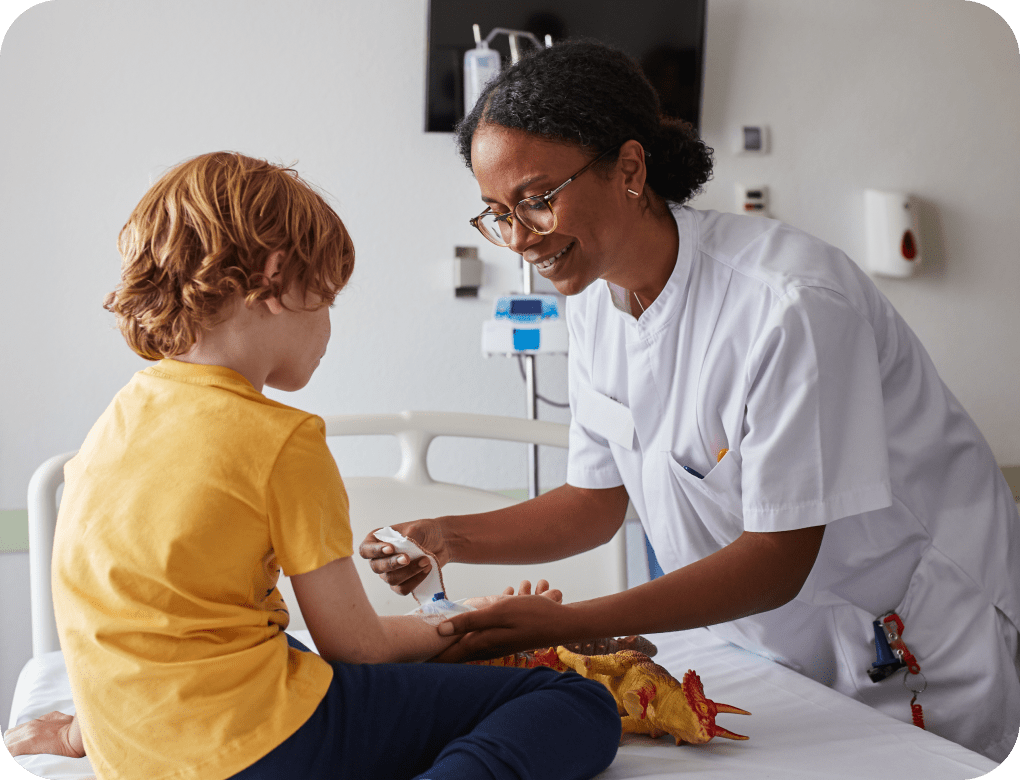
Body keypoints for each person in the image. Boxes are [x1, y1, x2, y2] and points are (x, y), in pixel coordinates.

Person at [360, 40, 1020, 763]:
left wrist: (566, 622)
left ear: (631, 170)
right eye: (496, 212)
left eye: (537, 201)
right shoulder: (594, 298)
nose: (519, 239)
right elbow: (593, 502)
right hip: (770, 646)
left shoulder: (790, 307)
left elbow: (776, 558)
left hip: (921, 644)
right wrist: (445, 537)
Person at [2, 152, 621, 780]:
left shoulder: (113, 427)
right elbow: (358, 652)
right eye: (326, 301)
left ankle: (80, 732)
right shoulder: (281, 439)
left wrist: (86, 727)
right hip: (258, 749)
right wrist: (463, 620)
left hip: (135, 751)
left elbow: (141, 627)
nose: (328, 328)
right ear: (274, 280)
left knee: (277, 649)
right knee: (574, 702)